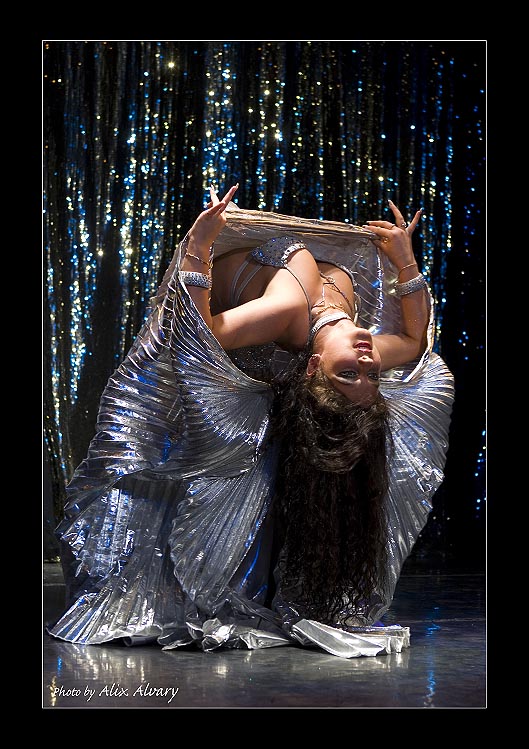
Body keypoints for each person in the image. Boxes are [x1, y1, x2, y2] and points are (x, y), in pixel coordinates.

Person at [47, 185, 454, 658]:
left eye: (349, 373)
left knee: (201, 461)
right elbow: (414, 339)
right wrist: (405, 260)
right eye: (370, 375)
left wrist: (199, 245)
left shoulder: (285, 313)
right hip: (246, 338)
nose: (367, 362)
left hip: (195, 341)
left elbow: (197, 335)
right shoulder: (360, 346)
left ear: (312, 367)